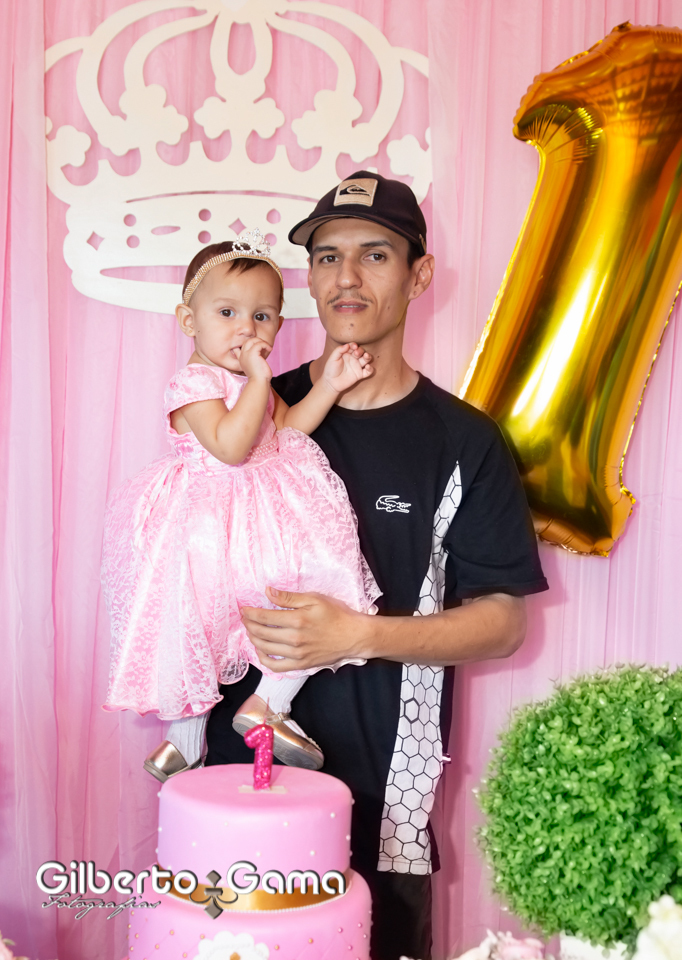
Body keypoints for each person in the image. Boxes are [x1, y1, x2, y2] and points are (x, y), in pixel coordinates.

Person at [204, 173, 549, 960]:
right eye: (327, 257)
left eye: (375, 254)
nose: (346, 277)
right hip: (237, 789)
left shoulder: (463, 441)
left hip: (386, 810)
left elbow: (503, 623)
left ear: (419, 275)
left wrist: (356, 633)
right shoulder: (252, 416)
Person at [101, 230, 381, 781]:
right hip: (208, 530)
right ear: (189, 321)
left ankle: (267, 703)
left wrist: (331, 384)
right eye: (227, 313)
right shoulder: (194, 383)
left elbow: (286, 431)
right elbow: (230, 446)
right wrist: (257, 378)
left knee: (305, 604)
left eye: (262, 316)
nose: (246, 329)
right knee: (197, 632)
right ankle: (183, 739)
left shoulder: (250, 381)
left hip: (263, 522)